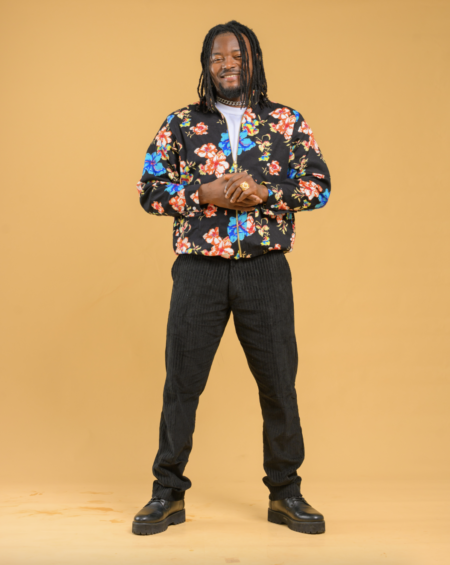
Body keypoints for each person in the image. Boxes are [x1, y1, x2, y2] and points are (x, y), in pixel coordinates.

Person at [132, 20, 331, 536]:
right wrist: (203, 192)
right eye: (218, 57)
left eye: (237, 56)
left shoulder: (286, 121)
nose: (227, 65)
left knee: (279, 385)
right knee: (181, 384)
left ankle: (286, 494)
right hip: (198, 270)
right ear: (206, 65)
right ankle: (167, 493)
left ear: (253, 61)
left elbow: (319, 185)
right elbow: (149, 190)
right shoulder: (181, 124)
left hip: (265, 268)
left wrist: (266, 193)